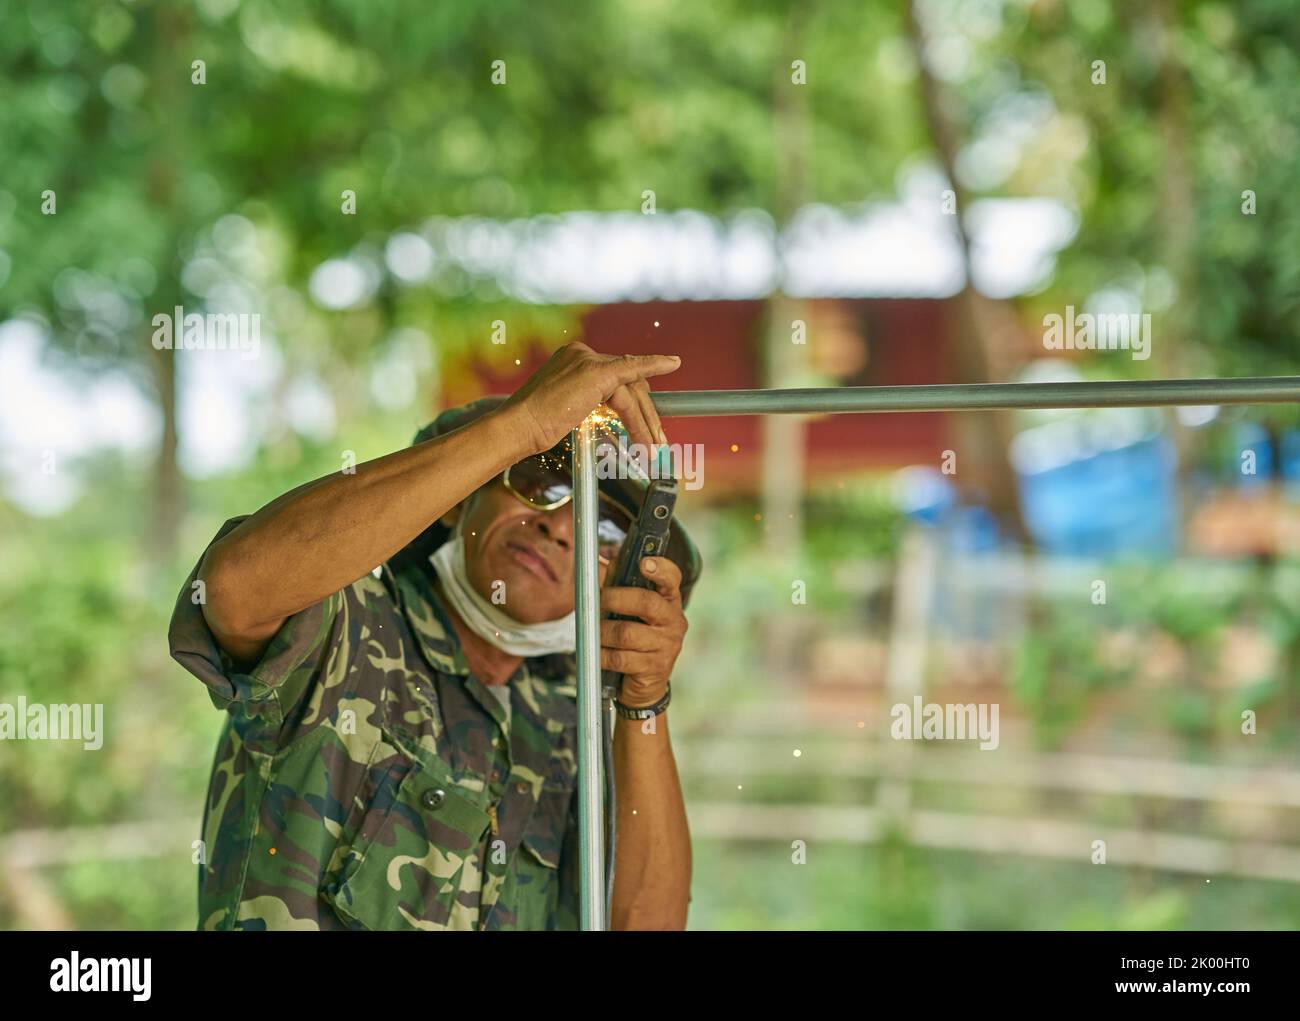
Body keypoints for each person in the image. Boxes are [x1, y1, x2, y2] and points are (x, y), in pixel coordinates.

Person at [167, 342, 702, 930]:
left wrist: (644, 698)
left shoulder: (583, 727)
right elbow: (235, 590)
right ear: (456, 504)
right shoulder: (349, 628)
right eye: (535, 478)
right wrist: (523, 423)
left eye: (603, 526)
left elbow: (645, 924)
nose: (556, 525)